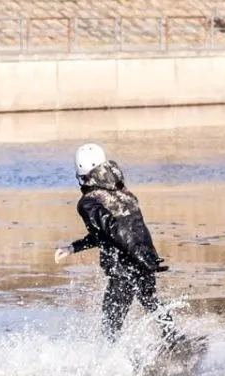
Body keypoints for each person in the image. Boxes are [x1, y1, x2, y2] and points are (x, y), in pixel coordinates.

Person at [55, 143, 177, 343]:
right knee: (152, 302)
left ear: (80, 173)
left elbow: (114, 229)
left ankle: (119, 366)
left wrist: (137, 254)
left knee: (110, 326)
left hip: (124, 267)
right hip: (146, 258)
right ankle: (174, 341)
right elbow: (113, 231)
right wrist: (73, 248)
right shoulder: (121, 190)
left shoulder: (88, 202)